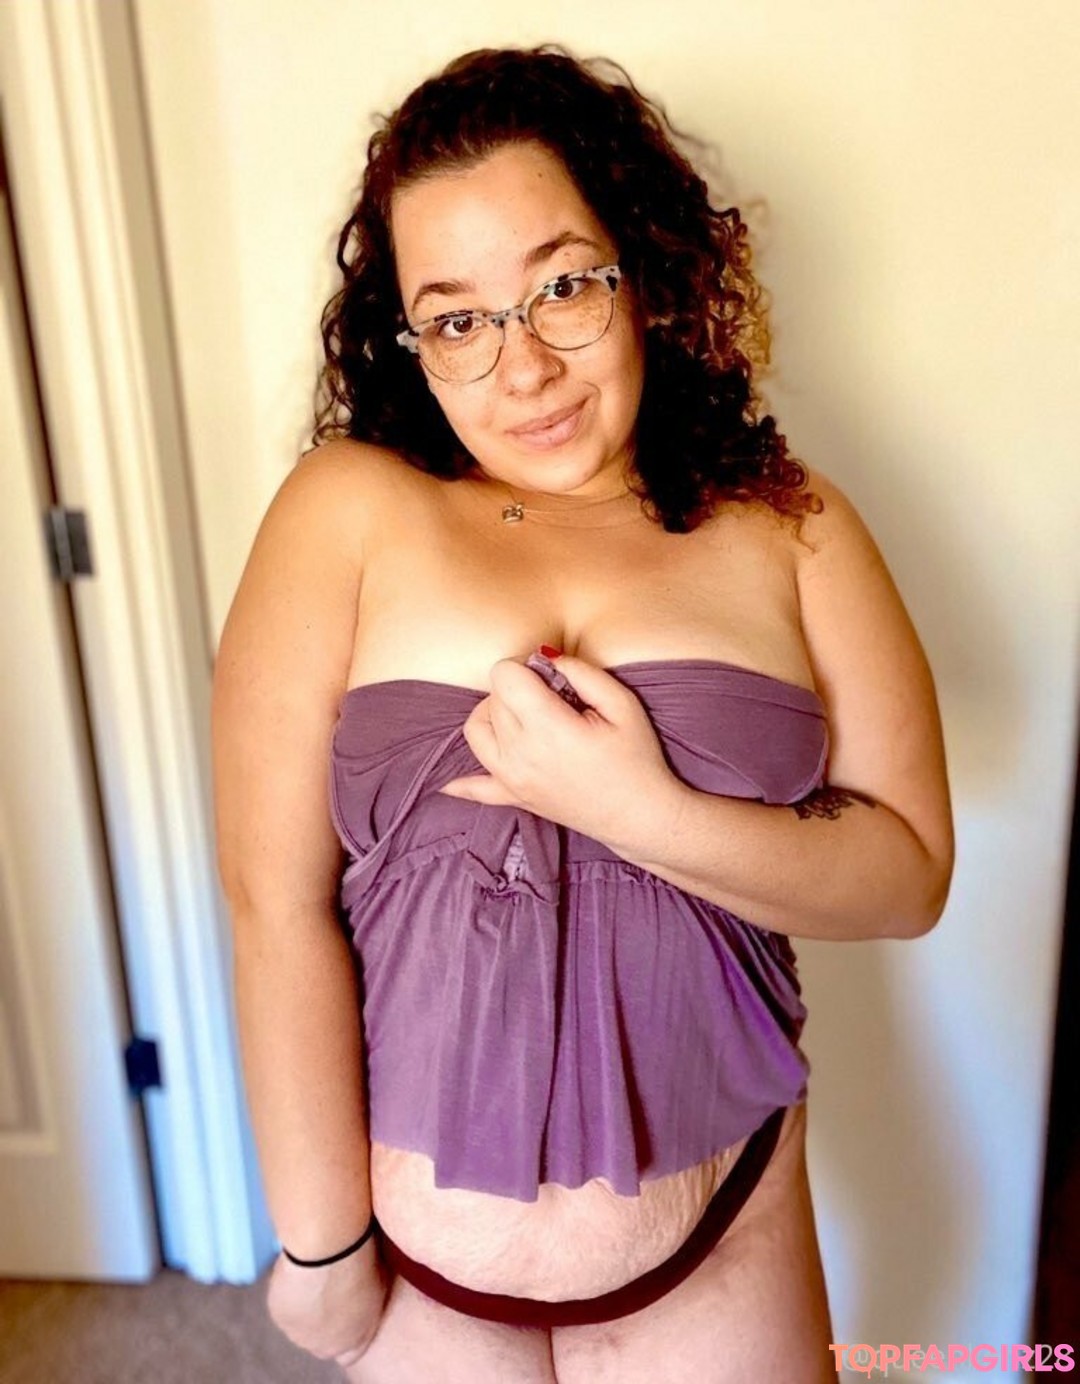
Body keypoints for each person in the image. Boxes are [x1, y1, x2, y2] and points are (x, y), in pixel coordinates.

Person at [211, 44, 954, 1383]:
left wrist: (641, 812)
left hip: (721, 1237)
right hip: (424, 1277)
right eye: (458, 320)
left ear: (643, 270)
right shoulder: (346, 510)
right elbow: (274, 901)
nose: (524, 369)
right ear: (410, 341)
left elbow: (908, 876)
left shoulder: (792, 524)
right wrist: (319, 1248)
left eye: (562, 286)